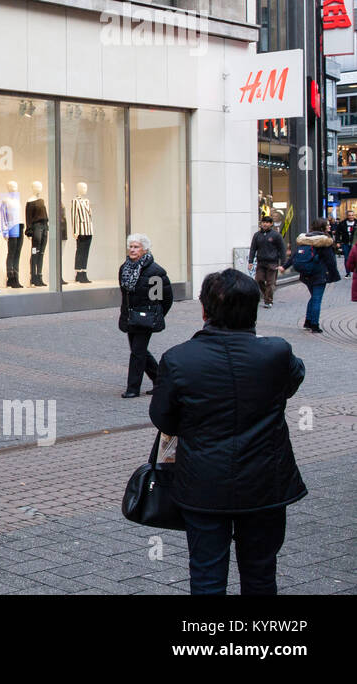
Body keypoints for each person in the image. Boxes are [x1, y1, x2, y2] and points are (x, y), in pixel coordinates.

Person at [150, 269, 306, 595]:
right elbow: (291, 382)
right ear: (253, 310)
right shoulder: (277, 353)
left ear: (205, 311)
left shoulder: (178, 359)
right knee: (261, 574)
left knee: (206, 576)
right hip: (265, 482)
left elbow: (164, 419)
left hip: (203, 482)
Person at [117, 233, 174, 398]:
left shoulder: (154, 271)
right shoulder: (125, 268)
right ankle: (160, 382)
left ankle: (133, 388)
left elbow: (163, 299)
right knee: (139, 351)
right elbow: (125, 295)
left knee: (137, 352)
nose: (133, 250)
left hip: (145, 318)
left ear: (144, 250)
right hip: (130, 316)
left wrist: (157, 315)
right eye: (131, 246)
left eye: (136, 247)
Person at [283, 218, 341, 333]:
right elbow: (330, 261)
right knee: (316, 299)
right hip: (319, 274)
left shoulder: (305, 238)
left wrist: (285, 266)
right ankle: (314, 325)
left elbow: (294, 255)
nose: (329, 227)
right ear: (322, 227)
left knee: (313, 297)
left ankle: (308, 321)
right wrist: (335, 275)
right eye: (327, 225)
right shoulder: (324, 241)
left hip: (306, 274)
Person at [247, 216, 286, 308]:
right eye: (263, 222)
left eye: (267, 222)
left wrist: (283, 264)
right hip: (261, 262)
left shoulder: (276, 235)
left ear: (271, 224)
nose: (265, 224)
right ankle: (266, 295)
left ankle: (268, 301)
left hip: (273, 263)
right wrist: (250, 261)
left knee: (270, 283)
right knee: (259, 280)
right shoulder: (257, 235)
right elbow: (253, 249)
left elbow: (282, 249)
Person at [335, 209, 356, 276]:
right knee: (347, 258)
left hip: (354, 243)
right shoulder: (342, 223)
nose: (351, 217)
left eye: (352, 215)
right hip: (345, 243)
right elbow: (337, 233)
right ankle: (348, 272)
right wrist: (338, 242)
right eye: (349, 215)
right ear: (347, 216)